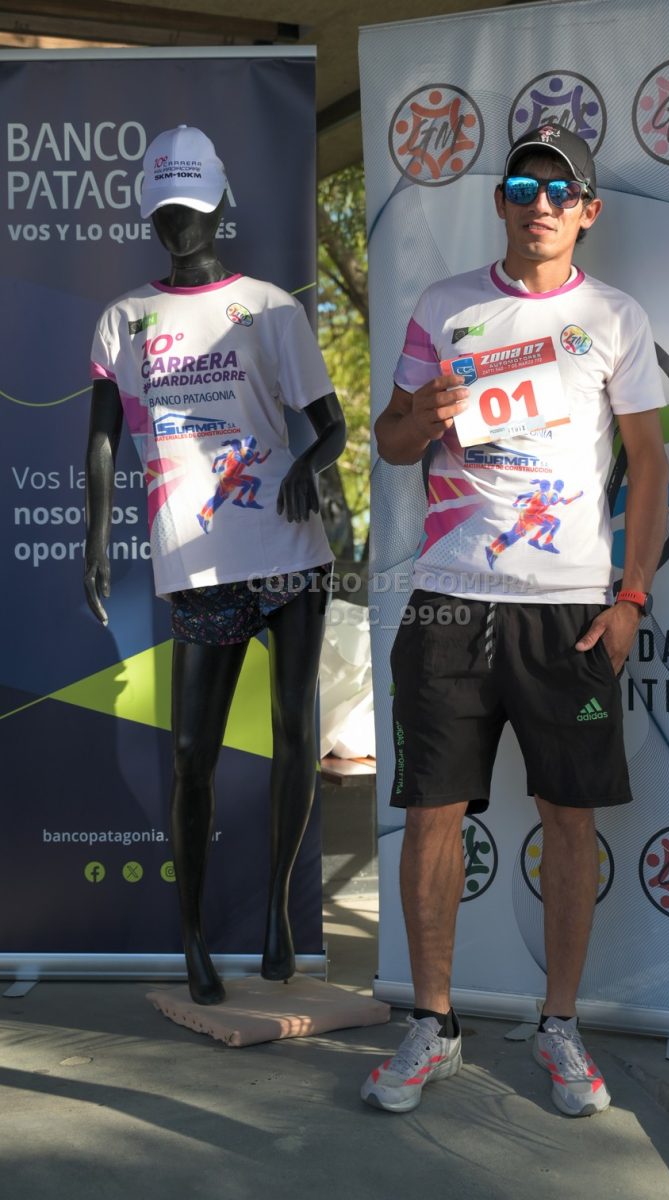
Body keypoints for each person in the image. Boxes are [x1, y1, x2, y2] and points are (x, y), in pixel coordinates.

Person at [362, 124, 668, 1116]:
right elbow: (392, 439)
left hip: (568, 607)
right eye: (522, 185)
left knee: (568, 818)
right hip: (449, 598)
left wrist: (630, 597)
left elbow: (649, 463)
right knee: (430, 815)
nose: (540, 203)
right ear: (500, 200)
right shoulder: (445, 306)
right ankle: (433, 1024)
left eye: (559, 190)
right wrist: (424, 416)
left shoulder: (614, 317)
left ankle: (560, 1026)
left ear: (588, 212)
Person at [84, 126, 346, 1005]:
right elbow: (103, 439)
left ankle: (276, 916)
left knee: (294, 734)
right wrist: (95, 542)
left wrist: (309, 466)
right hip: (198, 566)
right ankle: (193, 937)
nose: (180, 225)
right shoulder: (124, 320)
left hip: (288, 553)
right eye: (165, 211)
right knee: (192, 753)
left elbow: (332, 426)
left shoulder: (270, 309)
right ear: (149, 212)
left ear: (221, 204)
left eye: (192, 208)